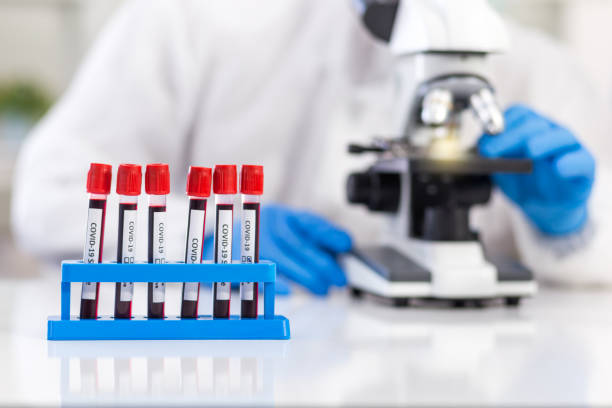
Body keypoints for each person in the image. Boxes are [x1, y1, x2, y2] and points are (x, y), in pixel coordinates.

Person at [11, 0, 612, 294]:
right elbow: (46, 201)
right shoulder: (191, 23)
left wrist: (567, 226)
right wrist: (208, 235)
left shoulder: (540, 69)